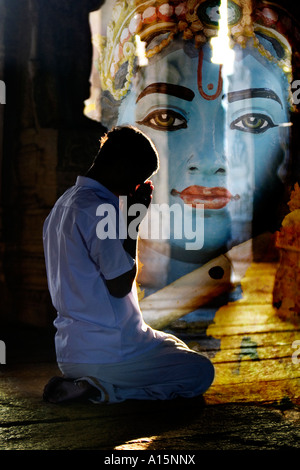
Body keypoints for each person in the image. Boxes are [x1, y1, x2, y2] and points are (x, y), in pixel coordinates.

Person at [86, 0, 297, 293]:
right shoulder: (85, 218)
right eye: (165, 117)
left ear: (287, 142)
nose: (210, 159)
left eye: (252, 121)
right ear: (113, 126)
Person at [42, 125, 214, 404]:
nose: (134, 188)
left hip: (71, 351)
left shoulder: (62, 205)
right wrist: (133, 223)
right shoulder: (100, 208)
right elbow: (120, 284)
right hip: (110, 351)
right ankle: (101, 390)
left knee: (174, 345)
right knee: (199, 371)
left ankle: (87, 382)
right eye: (136, 178)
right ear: (121, 166)